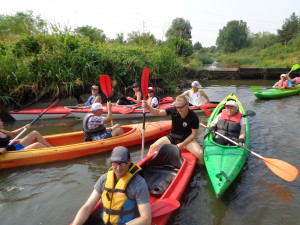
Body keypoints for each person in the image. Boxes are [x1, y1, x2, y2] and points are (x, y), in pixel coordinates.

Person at [72, 146, 151, 225]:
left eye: (122, 163)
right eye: (115, 164)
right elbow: (88, 206)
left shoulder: (139, 184)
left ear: (130, 161)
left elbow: (146, 219)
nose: (118, 168)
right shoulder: (104, 179)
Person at [142, 95, 204, 164]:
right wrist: (148, 107)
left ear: (187, 105)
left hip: (187, 139)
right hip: (173, 136)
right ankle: (146, 164)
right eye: (177, 107)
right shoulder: (173, 110)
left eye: (181, 107)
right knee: (152, 147)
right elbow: (158, 112)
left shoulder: (193, 116)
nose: (179, 109)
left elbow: (194, 134)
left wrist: (182, 144)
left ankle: (199, 169)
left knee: (200, 154)